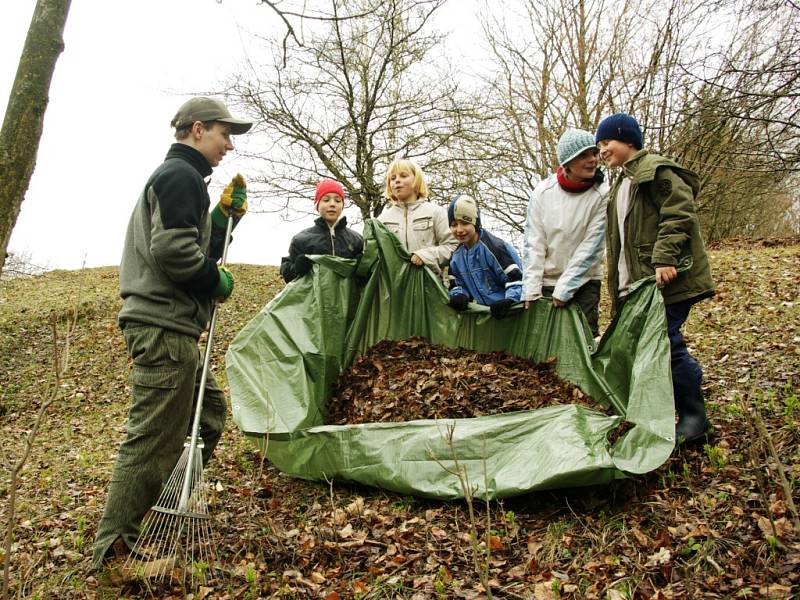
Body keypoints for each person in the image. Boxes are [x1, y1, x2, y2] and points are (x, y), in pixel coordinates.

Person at [91, 97, 252, 570]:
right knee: (152, 439)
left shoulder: (185, 180)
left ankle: (163, 501)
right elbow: (175, 253)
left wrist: (221, 221)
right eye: (225, 134)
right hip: (162, 326)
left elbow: (193, 243)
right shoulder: (180, 176)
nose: (228, 145)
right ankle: (114, 549)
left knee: (210, 415)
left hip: (172, 325)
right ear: (198, 129)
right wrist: (214, 281)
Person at [595, 112, 715, 443]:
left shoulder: (656, 171)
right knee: (651, 347)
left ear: (629, 140)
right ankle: (669, 404)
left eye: (608, 142)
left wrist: (665, 257)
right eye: (599, 145)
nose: (602, 150)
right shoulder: (622, 182)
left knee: (666, 343)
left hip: (667, 279)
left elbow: (680, 211)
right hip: (640, 286)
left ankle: (695, 416)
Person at [521, 128, 608, 338]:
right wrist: (531, 289)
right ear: (567, 162)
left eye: (594, 153)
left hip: (585, 282)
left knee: (584, 339)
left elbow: (591, 247)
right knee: (548, 343)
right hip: (547, 282)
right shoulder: (543, 192)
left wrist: (564, 290)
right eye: (583, 155)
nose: (592, 160)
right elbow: (534, 242)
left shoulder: (602, 194)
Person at [377, 157, 457, 276]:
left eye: (403, 176)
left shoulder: (436, 212)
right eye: (392, 178)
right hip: (393, 289)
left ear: (417, 180)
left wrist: (426, 256)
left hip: (428, 287)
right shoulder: (381, 220)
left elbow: (452, 246)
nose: (397, 181)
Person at [447, 194, 523, 319]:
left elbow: (516, 278)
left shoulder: (495, 248)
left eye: (465, 223)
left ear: (475, 223)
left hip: (511, 313)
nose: (459, 230)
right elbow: (456, 283)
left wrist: (510, 300)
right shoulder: (456, 257)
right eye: (454, 224)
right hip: (487, 315)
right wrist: (459, 295)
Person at [280, 179, 364, 283]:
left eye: (338, 200)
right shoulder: (301, 239)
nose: (332, 204)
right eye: (326, 199)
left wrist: (363, 266)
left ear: (342, 206)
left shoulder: (357, 240)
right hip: (313, 298)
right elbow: (288, 276)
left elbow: (365, 280)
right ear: (317, 205)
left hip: (348, 298)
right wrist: (296, 268)